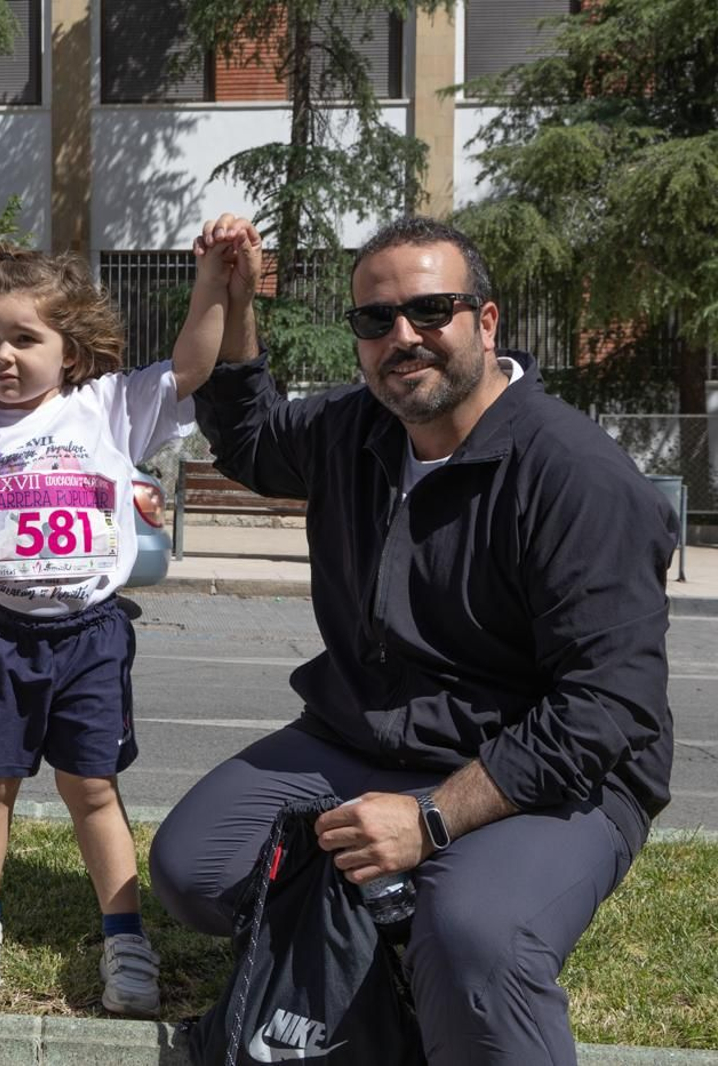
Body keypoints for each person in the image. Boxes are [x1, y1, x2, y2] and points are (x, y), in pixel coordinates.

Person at [150, 215, 676, 1065]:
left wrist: (431, 821)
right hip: (368, 737)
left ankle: (436, 929)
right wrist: (234, 298)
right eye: (376, 319)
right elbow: (247, 436)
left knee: (473, 938)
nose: (404, 337)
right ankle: (390, 947)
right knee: (195, 866)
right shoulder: (355, 430)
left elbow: (608, 707)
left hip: (550, 775)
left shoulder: (576, 477)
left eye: (433, 311)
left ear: (487, 321)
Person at [0, 231, 241, 1016]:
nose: (4, 355)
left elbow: (194, 365)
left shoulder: (109, 407)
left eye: (26, 338)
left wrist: (209, 283)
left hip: (89, 635)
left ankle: (124, 936)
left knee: (92, 785)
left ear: (74, 349)